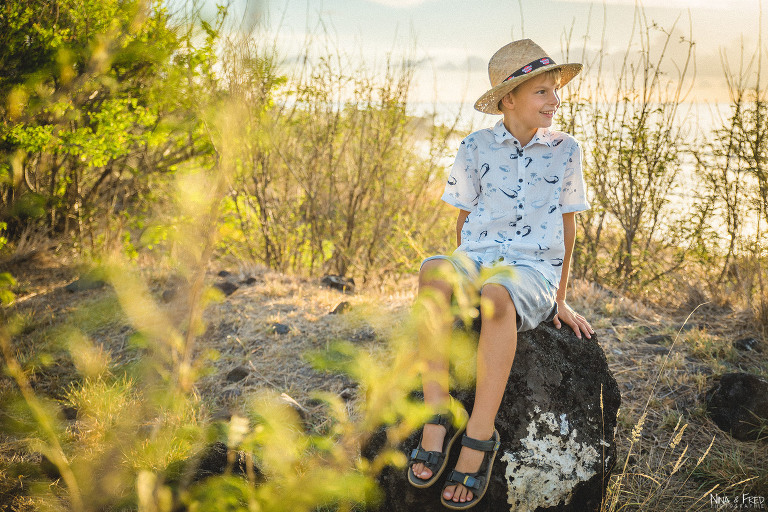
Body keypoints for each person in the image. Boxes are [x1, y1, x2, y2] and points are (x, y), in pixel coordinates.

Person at [407, 39, 595, 510]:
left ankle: (478, 435)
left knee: (496, 295)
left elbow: (569, 227)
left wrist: (561, 297)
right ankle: (436, 418)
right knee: (432, 269)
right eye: (543, 91)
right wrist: (455, 275)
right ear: (509, 99)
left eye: (556, 90)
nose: (555, 100)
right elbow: (464, 221)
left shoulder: (566, 150)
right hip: (479, 255)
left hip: (531, 268)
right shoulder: (475, 146)